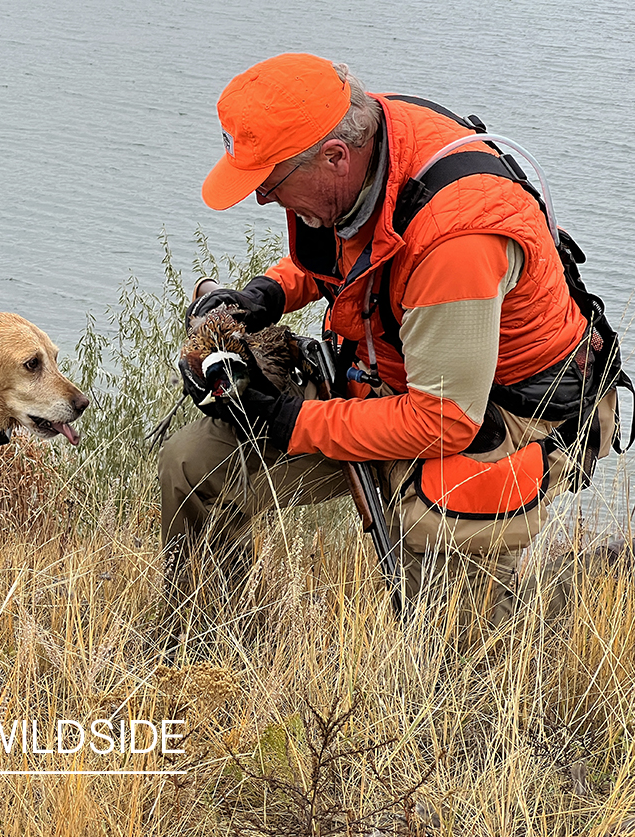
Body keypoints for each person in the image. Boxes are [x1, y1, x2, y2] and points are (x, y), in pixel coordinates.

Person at [159, 53, 623, 642]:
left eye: (270, 183)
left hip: (504, 413)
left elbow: (445, 421)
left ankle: (469, 700)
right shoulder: (365, 143)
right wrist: (267, 293)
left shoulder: (459, 240)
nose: (262, 201)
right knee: (194, 463)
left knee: (439, 569)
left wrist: (289, 421)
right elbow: (362, 247)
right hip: (394, 372)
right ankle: (204, 643)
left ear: (334, 157)